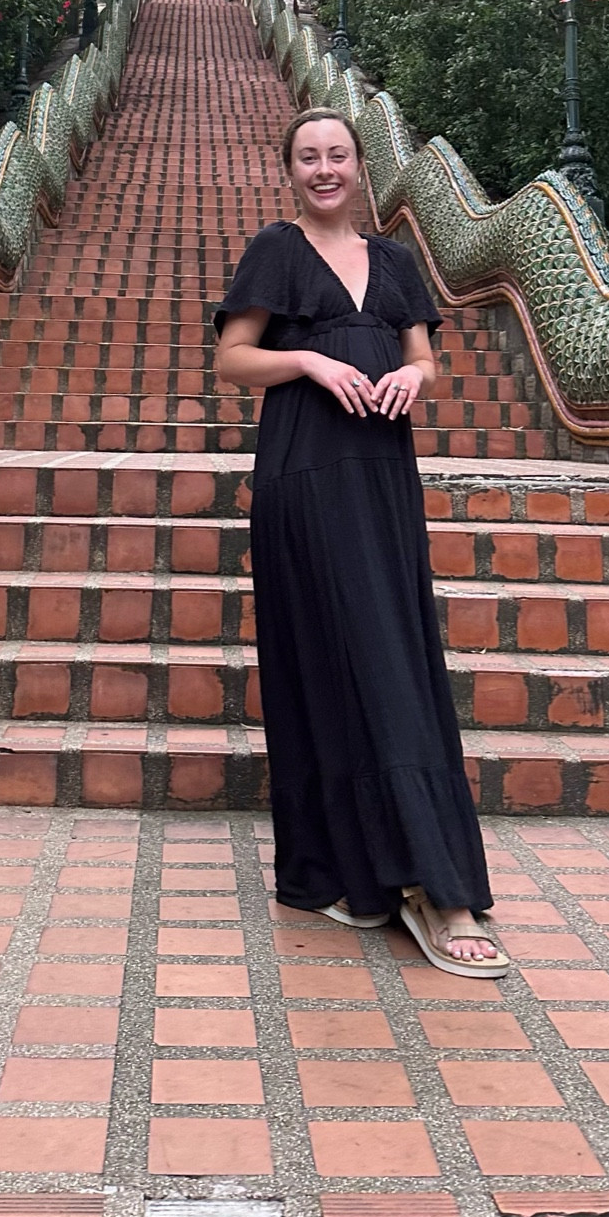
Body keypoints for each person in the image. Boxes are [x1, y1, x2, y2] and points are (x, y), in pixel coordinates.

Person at [214, 108, 504, 973]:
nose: (323, 168)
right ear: (291, 171)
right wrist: (307, 361)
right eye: (308, 157)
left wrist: (412, 375)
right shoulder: (275, 250)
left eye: (336, 154)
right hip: (303, 473)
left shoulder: (396, 260)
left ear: (360, 165)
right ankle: (427, 886)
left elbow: (423, 359)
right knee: (340, 655)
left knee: (392, 652)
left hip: (381, 475)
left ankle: (380, 869)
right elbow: (232, 358)